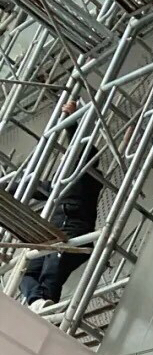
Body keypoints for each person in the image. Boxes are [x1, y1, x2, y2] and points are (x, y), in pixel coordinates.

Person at [20, 104, 103, 311]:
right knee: (28, 274)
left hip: (72, 228)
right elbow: (32, 188)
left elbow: (79, 148)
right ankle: (38, 303)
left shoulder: (88, 177)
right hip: (53, 233)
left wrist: (71, 123)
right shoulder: (58, 184)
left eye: (68, 158)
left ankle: (44, 305)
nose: (64, 160)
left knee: (52, 271)